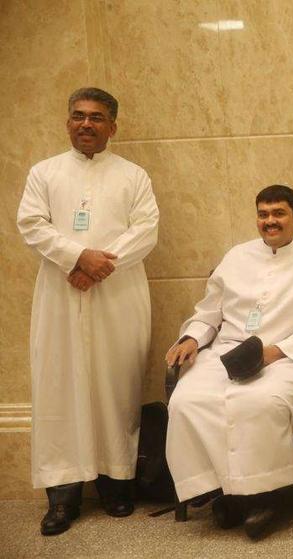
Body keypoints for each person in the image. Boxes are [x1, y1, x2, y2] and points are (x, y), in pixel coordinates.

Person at [164, 184, 293, 540]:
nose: (270, 221)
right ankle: (222, 490)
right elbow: (208, 313)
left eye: (279, 213)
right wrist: (191, 339)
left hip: (287, 358)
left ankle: (272, 494)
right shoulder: (235, 257)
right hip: (226, 351)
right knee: (187, 399)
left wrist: (272, 353)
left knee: (258, 401)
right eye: (263, 214)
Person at [17, 87, 159, 535]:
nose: (86, 124)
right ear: (67, 122)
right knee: (59, 387)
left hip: (117, 296)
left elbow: (147, 230)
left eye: (97, 118)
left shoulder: (133, 176)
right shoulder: (45, 172)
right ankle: (62, 496)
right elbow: (31, 223)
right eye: (78, 116)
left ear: (112, 127)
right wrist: (77, 257)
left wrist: (98, 266)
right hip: (61, 294)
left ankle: (116, 484)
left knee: (114, 384)